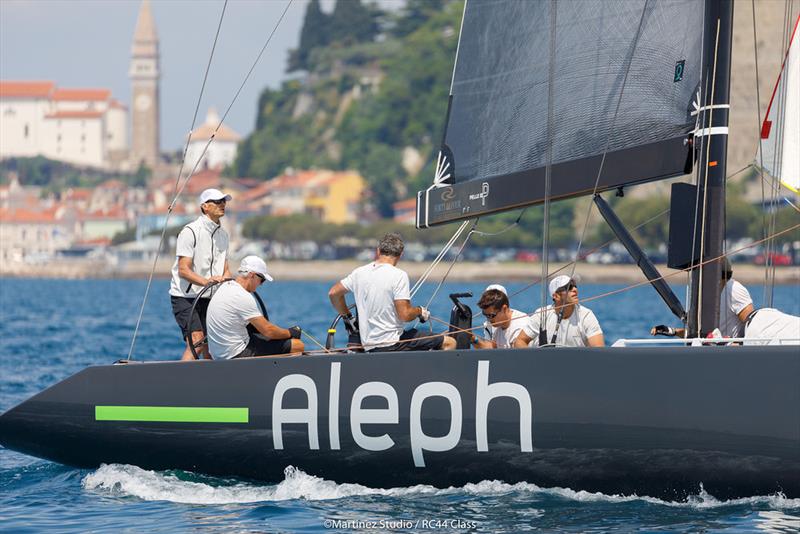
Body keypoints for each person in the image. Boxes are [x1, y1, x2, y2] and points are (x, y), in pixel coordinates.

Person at [328, 232, 457, 352]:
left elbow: (334, 293)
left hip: (368, 346)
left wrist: (348, 317)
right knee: (449, 342)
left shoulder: (359, 272)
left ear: (378, 251)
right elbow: (405, 315)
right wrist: (419, 311)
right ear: (401, 254)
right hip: (392, 344)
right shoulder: (399, 275)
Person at [169, 188, 232, 360]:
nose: (223, 205)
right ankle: (181, 382)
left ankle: (207, 382)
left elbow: (225, 268)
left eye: (224, 201)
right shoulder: (190, 232)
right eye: (218, 202)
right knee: (196, 341)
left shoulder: (224, 236)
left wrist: (231, 287)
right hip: (185, 296)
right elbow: (183, 270)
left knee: (210, 344)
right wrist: (205, 282)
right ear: (204, 206)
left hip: (210, 297)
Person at [206, 256, 304, 359]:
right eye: (261, 280)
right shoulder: (242, 296)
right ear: (252, 275)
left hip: (219, 354)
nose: (261, 284)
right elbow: (268, 331)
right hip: (235, 354)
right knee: (297, 345)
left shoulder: (225, 287)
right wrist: (290, 332)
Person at [651, 258, 754, 339]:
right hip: (711, 352)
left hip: (730, 354)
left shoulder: (735, 290)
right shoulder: (705, 293)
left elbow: (751, 327)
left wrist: (734, 344)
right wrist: (673, 331)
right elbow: (701, 336)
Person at [513, 275, 604, 348]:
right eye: (569, 287)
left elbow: (598, 349)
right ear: (556, 296)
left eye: (575, 286)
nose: (575, 290)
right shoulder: (542, 315)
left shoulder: (586, 315)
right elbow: (520, 341)